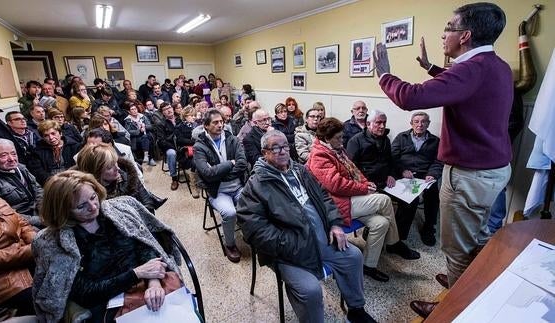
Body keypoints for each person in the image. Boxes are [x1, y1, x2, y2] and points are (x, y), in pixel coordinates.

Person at [373, 2, 512, 317]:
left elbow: (411, 98)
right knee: (474, 237)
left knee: (456, 247)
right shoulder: (496, 65)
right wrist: (433, 68)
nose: (442, 34)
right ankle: (459, 280)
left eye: (448, 28)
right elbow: (466, 89)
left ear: (465, 35)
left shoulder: (470, 68)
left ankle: (455, 307)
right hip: (492, 171)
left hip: (470, 176)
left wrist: (384, 75)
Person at [237, 130, 376, 323]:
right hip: (290, 251)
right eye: (275, 148)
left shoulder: (301, 171)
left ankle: (356, 310)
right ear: (264, 153)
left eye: (285, 146)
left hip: (323, 239)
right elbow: (253, 228)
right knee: (310, 290)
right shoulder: (256, 185)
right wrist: (292, 245)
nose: (282, 151)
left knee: (353, 256)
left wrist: (335, 224)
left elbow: (325, 198)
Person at [32, 170, 181, 322]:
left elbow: (144, 244)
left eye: (93, 197)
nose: (93, 207)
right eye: (81, 206)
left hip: (146, 283)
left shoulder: (116, 212)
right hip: (107, 303)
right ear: (63, 211)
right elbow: (85, 294)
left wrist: (154, 282)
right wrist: (136, 274)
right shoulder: (56, 243)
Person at [307, 118, 420, 281]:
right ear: (326, 139)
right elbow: (336, 185)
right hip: (335, 205)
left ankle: (369, 266)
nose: (342, 140)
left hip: (349, 199)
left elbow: (355, 172)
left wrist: (366, 183)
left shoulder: (337, 149)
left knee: (381, 223)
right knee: (383, 200)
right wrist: (364, 188)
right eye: (338, 137)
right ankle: (394, 243)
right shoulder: (319, 155)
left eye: (342, 136)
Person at [0, 168, 36, 318]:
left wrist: (35, 241)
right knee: (38, 299)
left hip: (28, 257)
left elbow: (21, 223)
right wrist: (28, 251)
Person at [194, 109, 247, 263]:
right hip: (218, 190)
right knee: (230, 213)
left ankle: (250, 234)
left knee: (253, 205)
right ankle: (230, 244)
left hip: (238, 186)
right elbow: (207, 173)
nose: (220, 125)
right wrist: (230, 163)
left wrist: (222, 172)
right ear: (206, 126)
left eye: (221, 122)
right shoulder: (200, 146)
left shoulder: (232, 139)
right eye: (215, 122)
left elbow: (242, 163)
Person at [391, 112, 442, 246]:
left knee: (433, 193)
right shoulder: (401, 137)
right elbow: (393, 157)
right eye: (416, 121)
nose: (420, 124)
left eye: (423, 121)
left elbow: (438, 161)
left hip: (425, 175)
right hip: (404, 174)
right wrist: (402, 170)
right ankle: (400, 233)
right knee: (409, 199)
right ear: (411, 123)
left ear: (428, 124)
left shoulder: (435, 141)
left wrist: (432, 174)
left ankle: (429, 227)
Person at [75, 143, 166, 213]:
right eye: (110, 167)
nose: (117, 168)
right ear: (96, 172)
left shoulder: (128, 174)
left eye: (116, 162)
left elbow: (147, 202)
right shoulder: (87, 195)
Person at [0, 138, 43, 227]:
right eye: (4, 155)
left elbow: (39, 191)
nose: (11, 159)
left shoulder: (21, 168)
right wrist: (39, 220)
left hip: (39, 214)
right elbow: (1, 214)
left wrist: (45, 211)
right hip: (19, 224)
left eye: (14, 154)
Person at [347, 110, 396, 190]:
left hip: (386, 182)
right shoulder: (355, 141)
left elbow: (390, 161)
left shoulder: (386, 139)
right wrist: (363, 182)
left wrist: (391, 175)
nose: (382, 126)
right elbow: (351, 167)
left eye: (384, 122)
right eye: (378, 123)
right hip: (367, 183)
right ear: (368, 124)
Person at [27, 120, 81, 185]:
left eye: (53, 133)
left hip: (73, 181)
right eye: (46, 135)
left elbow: (80, 166)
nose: (51, 138)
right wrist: (54, 181)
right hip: (50, 183)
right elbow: (38, 172)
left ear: (60, 133)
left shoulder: (74, 146)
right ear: (43, 138)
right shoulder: (37, 151)